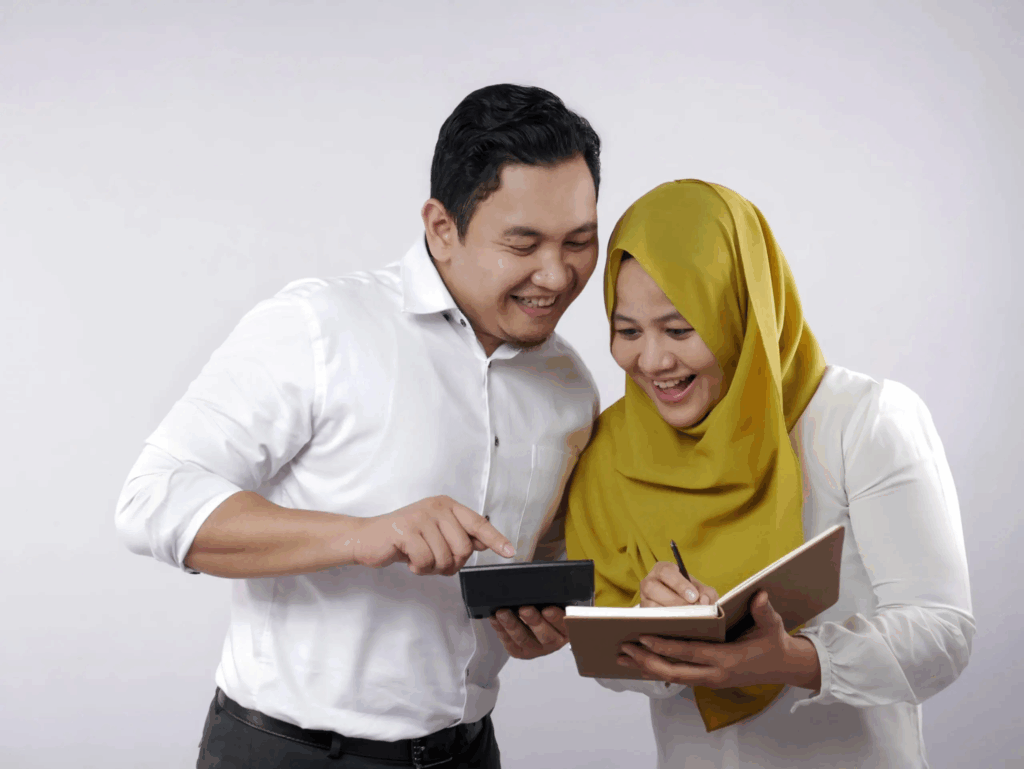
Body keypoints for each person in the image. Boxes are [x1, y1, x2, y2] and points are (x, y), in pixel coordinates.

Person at [115, 83, 602, 769]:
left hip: (469, 751)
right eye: (523, 244)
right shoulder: (320, 326)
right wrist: (361, 534)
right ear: (441, 227)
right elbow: (150, 501)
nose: (555, 274)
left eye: (580, 241)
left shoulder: (571, 386)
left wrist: (544, 620)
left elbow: (545, 558)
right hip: (289, 752)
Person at [563, 179, 974, 768]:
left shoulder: (861, 420)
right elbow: (607, 660)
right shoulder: (611, 451)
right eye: (628, 331)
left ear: (741, 312)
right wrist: (650, 628)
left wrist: (797, 659)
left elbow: (943, 634)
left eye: (680, 330)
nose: (652, 361)